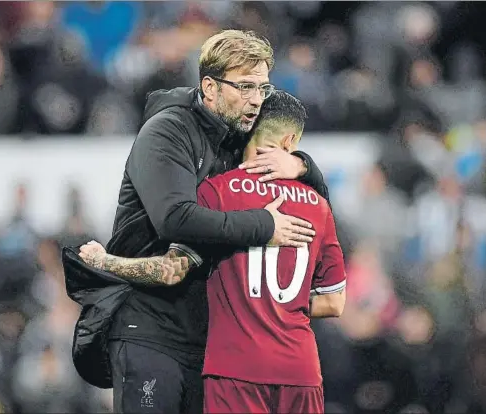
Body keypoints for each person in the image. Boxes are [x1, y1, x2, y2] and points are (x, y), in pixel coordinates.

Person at [70, 30, 331, 414]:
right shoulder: (167, 131)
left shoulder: (236, 135)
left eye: (262, 87)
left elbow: (312, 189)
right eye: (244, 87)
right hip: (151, 330)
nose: (256, 100)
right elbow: (175, 219)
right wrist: (264, 225)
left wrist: (302, 164)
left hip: (212, 343)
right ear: (209, 87)